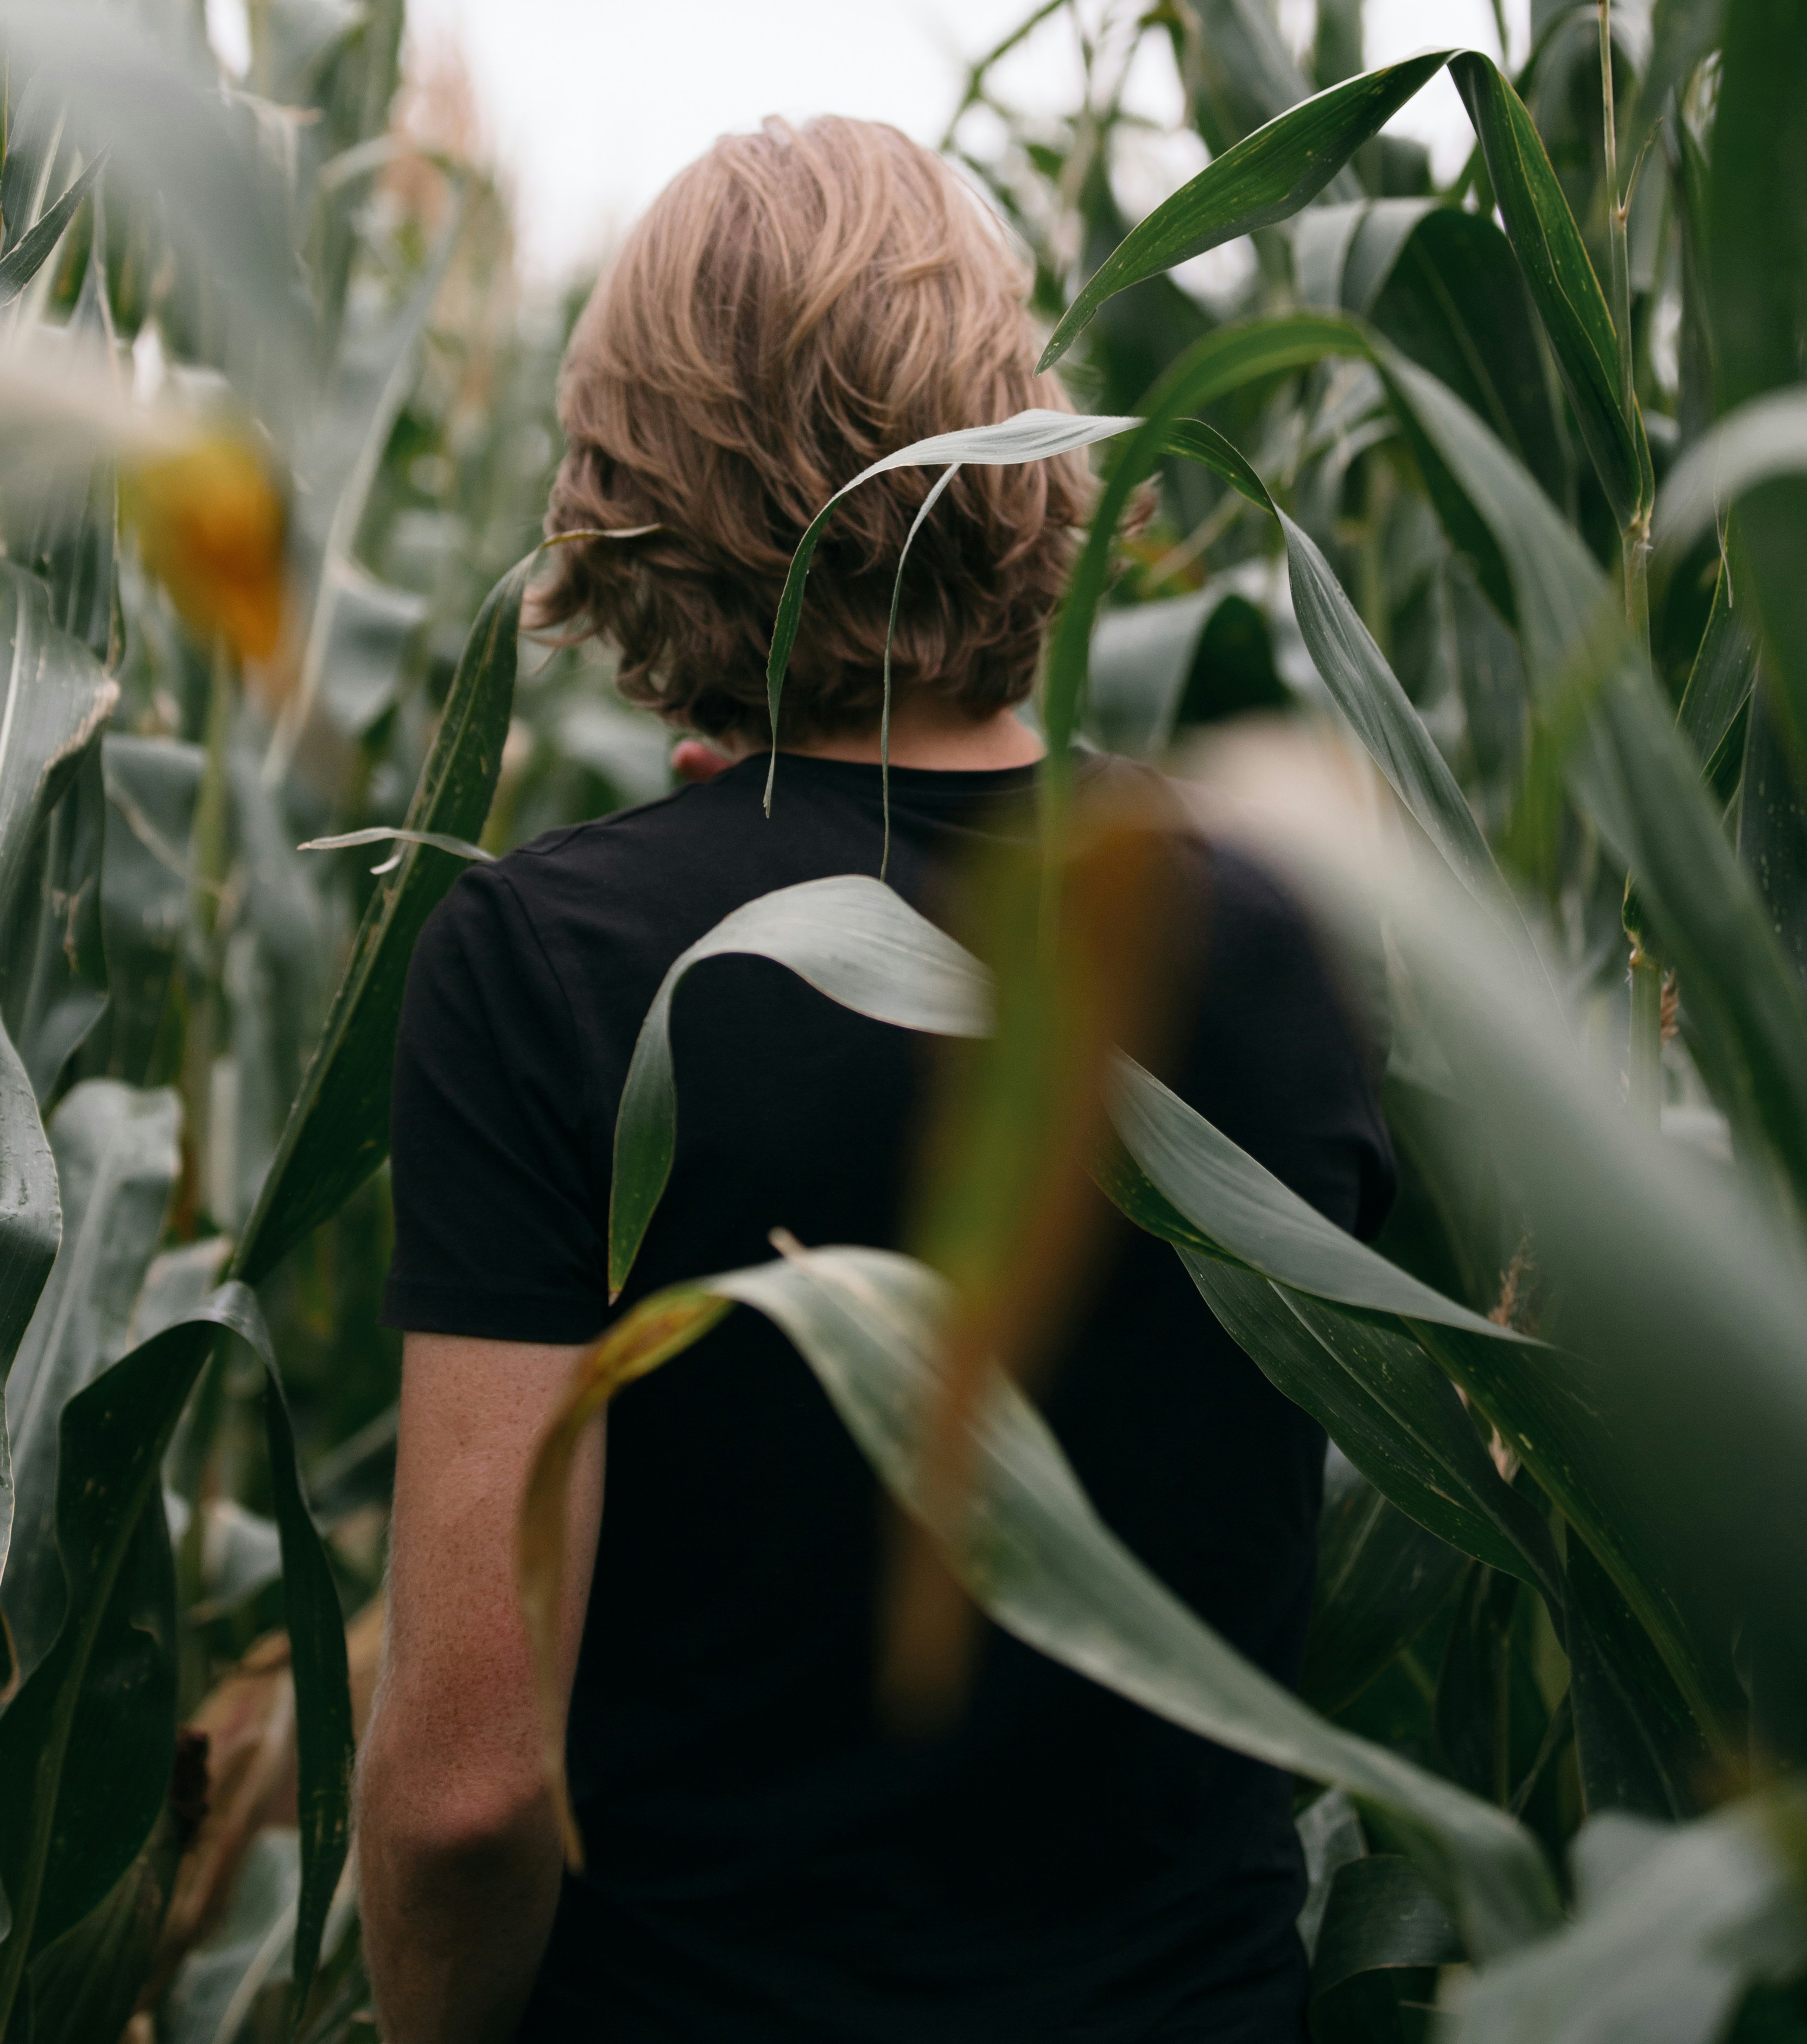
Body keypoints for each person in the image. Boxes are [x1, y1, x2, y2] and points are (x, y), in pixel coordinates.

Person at [358, 116, 1393, 2043]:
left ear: (629, 499)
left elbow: (465, 1793)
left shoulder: (556, 971)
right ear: (1014, 447)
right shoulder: (1294, 929)